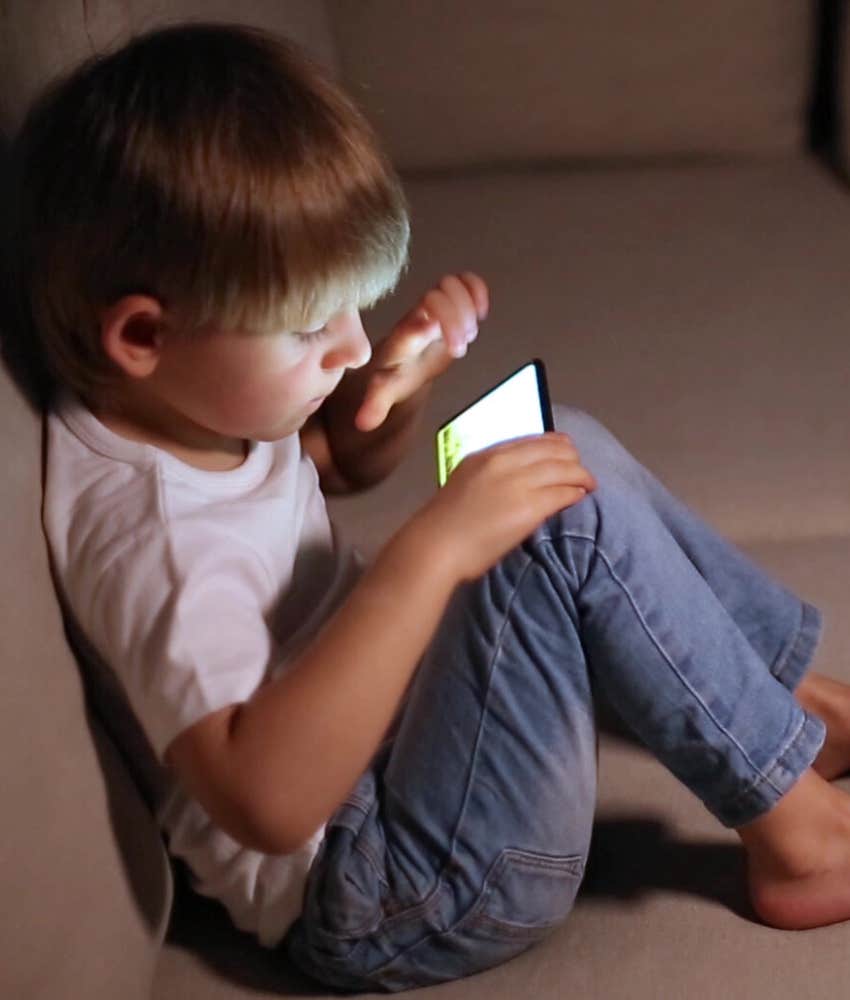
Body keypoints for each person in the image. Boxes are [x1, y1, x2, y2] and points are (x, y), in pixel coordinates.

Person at [10, 20, 850, 994]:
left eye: (351, 311)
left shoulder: (185, 405)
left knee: (552, 446)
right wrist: (429, 555)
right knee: (557, 516)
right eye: (308, 326)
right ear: (142, 334)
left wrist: (393, 395)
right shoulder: (145, 544)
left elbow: (330, 464)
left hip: (413, 755)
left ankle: (787, 707)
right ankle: (803, 840)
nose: (350, 347)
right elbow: (268, 802)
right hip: (388, 885)